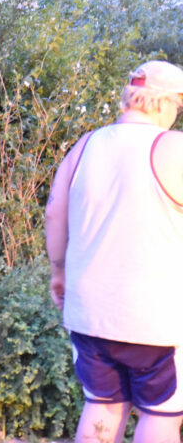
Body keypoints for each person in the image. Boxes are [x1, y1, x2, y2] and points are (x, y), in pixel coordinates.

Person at [45, 60, 183, 443]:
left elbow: (54, 211)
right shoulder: (173, 147)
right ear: (165, 102)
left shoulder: (86, 145)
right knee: (160, 416)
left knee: (102, 407)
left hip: (89, 310)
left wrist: (59, 273)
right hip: (155, 317)